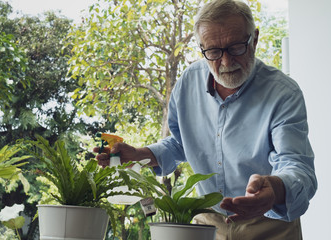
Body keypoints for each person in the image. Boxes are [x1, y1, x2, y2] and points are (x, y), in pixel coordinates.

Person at [94, 0, 317, 239]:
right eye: (213, 51)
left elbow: (297, 167)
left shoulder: (283, 93)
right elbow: (181, 143)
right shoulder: (188, 83)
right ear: (201, 48)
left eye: (236, 48)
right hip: (206, 221)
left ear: (255, 39)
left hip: (269, 223)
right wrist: (141, 154)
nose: (226, 62)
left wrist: (274, 188)